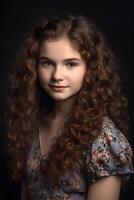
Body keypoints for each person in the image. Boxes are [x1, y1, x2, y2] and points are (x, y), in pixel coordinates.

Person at [5, 13, 133, 200]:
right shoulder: (32, 123)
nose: (57, 75)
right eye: (47, 63)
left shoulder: (104, 140)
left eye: (71, 64)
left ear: (90, 68)